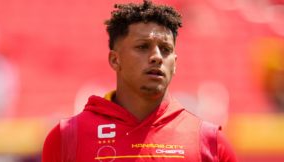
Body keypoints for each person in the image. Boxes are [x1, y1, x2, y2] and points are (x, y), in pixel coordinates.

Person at [42, 0, 237, 161]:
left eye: (166, 49)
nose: (157, 57)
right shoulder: (66, 137)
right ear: (115, 60)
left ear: (175, 63)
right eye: (143, 47)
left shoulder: (210, 141)